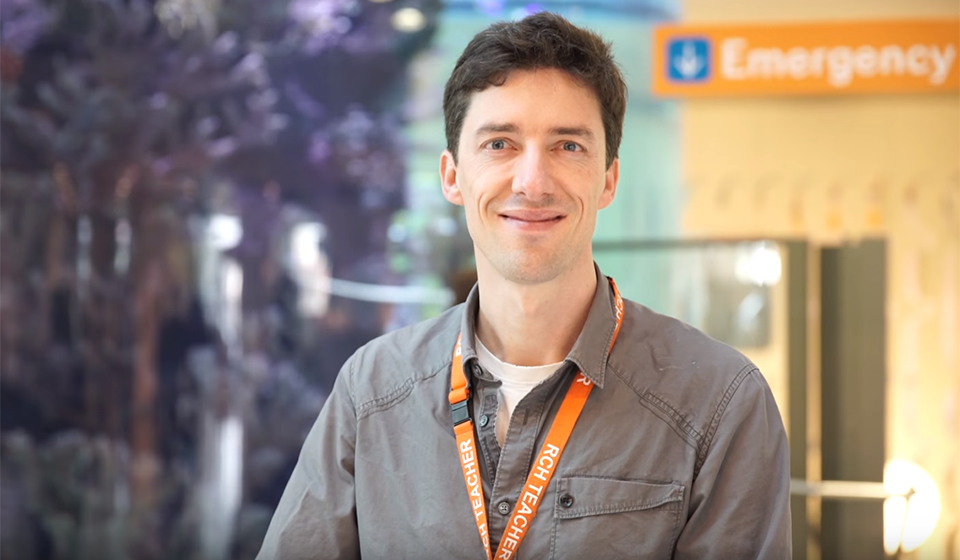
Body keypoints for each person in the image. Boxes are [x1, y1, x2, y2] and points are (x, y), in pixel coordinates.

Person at [257, 12, 791, 560]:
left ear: (607, 179)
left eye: (568, 146)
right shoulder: (371, 392)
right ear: (451, 176)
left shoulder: (720, 403)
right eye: (499, 144)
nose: (532, 182)